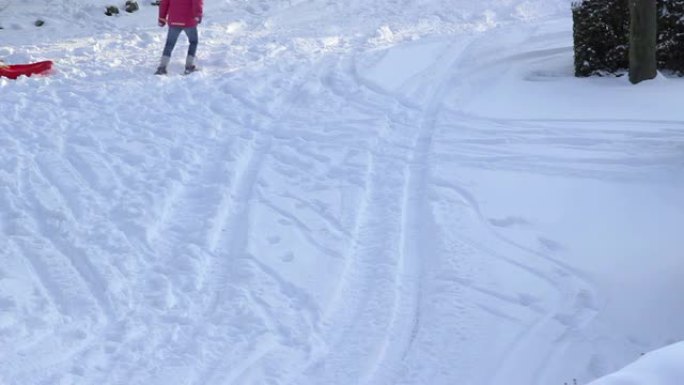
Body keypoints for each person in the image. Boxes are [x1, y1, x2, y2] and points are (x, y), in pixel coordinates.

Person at [155, 0, 203, 75]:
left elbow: (164, 3)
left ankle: (162, 67)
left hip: (174, 20)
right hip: (188, 21)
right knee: (193, 42)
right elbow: (197, 2)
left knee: (169, 44)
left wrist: (161, 18)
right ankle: (189, 66)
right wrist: (198, 14)